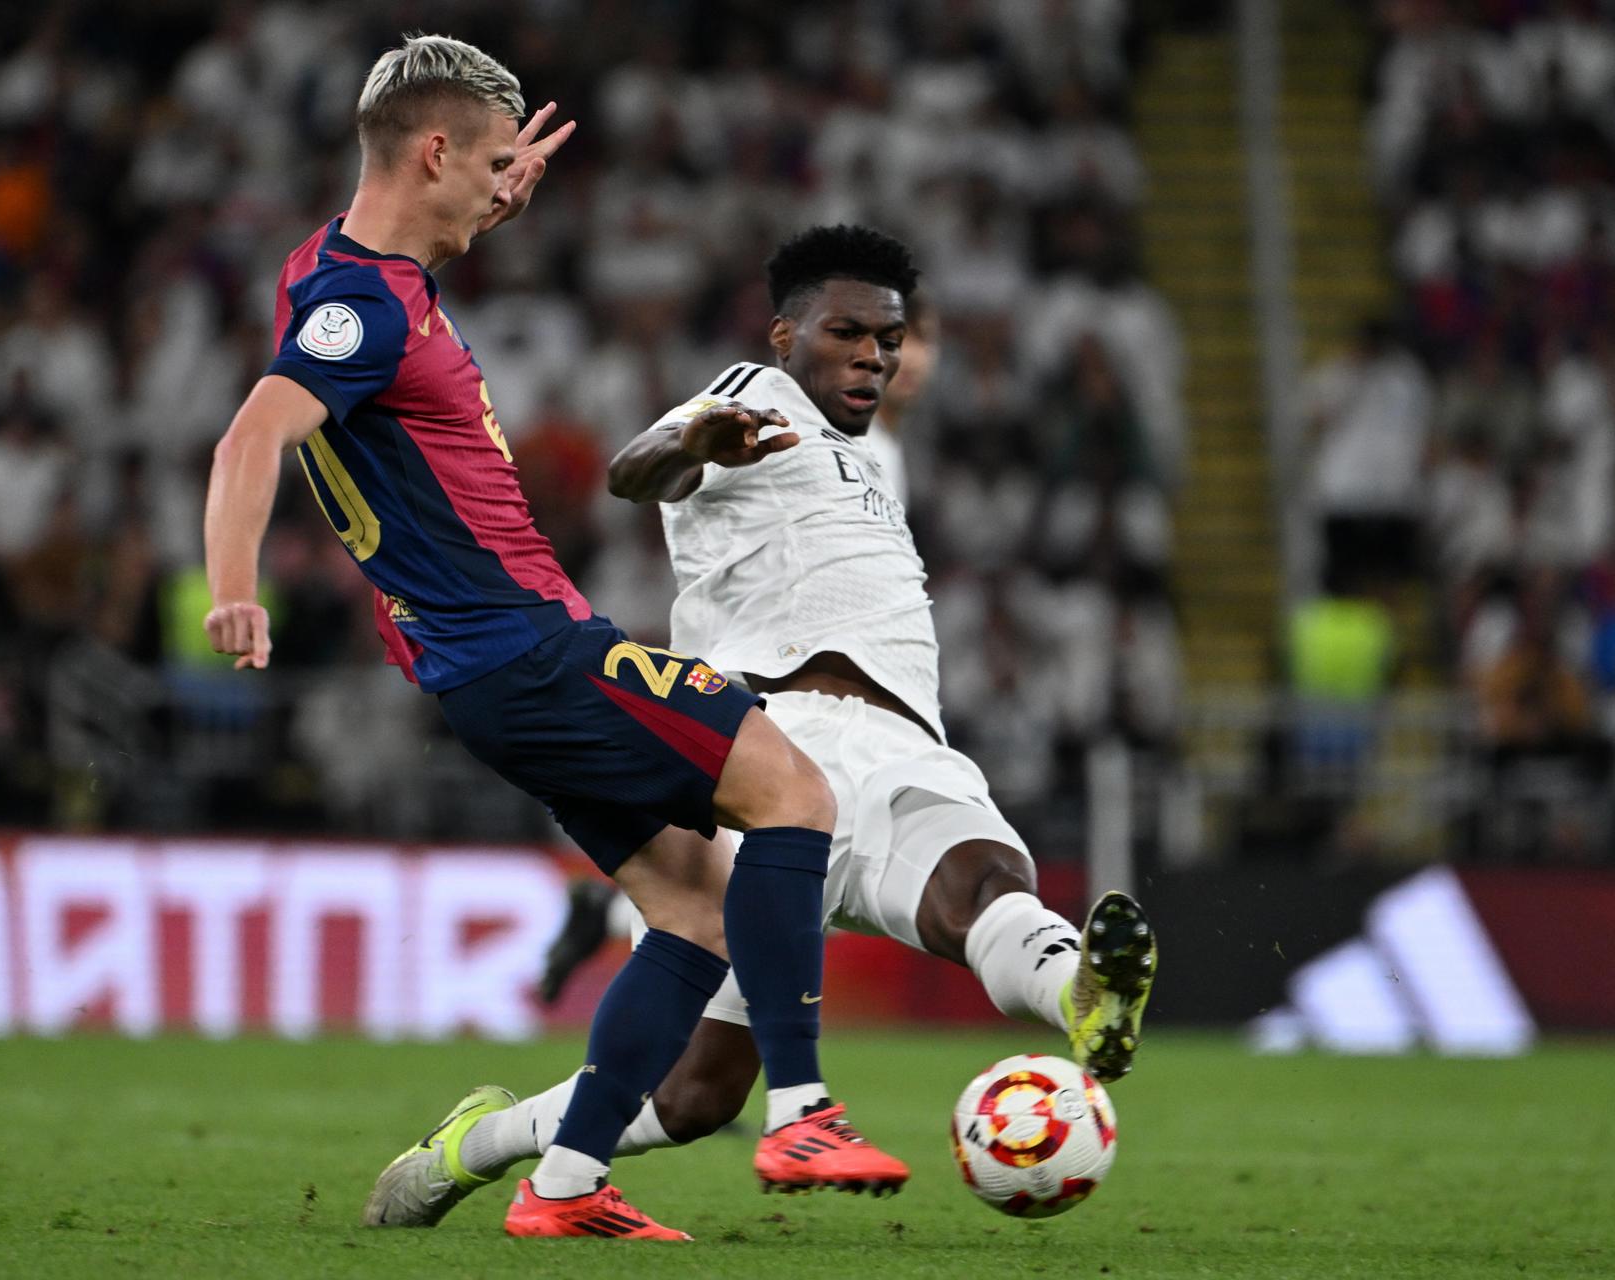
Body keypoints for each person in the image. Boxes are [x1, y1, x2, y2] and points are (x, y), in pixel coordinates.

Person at [200, 35, 899, 1242]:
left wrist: (474, 208)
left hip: (491, 666)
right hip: (526, 647)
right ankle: (802, 1108)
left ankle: (564, 1185)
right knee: (795, 789)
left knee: (691, 907)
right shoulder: (357, 306)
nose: (504, 186)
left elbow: (379, 292)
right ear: (431, 152)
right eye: (484, 164)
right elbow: (249, 438)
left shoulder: (342, 270)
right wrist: (232, 586)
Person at [472, 225, 1157, 1190]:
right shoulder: (754, 397)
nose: (874, 355)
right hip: (768, 751)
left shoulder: (878, 462)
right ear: (785, 336)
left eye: (889, 337)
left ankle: (1081, 993)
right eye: (848, 333)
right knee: (693, 1098)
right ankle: (485, 1142)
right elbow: (638, 471)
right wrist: (688, 438)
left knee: (989, 881)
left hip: (903, 742)